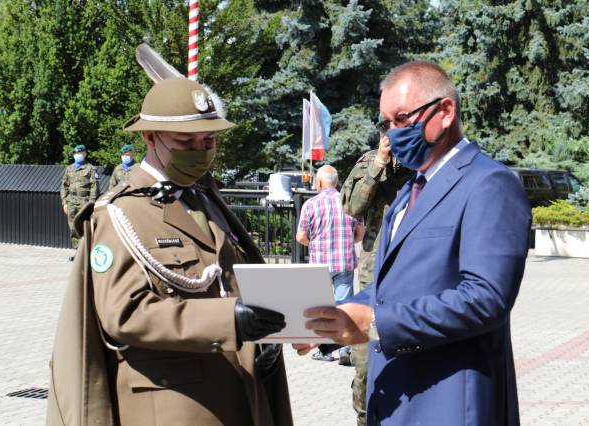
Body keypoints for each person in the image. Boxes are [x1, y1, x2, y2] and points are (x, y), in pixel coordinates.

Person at [294, 61, 531, 425]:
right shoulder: (408, 193)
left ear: (445, 111)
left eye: (402, 120)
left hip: (450, 404)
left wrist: (376, 322)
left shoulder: (490, 184)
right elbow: (386, 289)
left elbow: (486, 299)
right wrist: (333, 322)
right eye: (385, 123)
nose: (392, 134)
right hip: (396, 402)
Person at [47, 77, 293, 426]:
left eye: (208, 139)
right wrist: (229, 321)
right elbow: (125, 314)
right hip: (174, 407)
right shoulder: (118, 213)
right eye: (186, 141)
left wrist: (262, 338)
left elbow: (231, 283)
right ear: (150, 137)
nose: (200, 149)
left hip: (240, 398)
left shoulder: (207, 199)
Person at [340, 135, 412, 426]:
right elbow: (351, 207)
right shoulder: (370, 162)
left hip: (412, 273)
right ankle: (364, 419)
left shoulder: (426, 164)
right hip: (374, 274)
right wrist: (379, 164)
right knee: (365, 363)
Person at [295, 165, 364, 364]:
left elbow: (301, 236)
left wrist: (313, 243)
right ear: (335, 182)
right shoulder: (349, 203)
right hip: (344, 262)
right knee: (344, 307)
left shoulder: (311, 204)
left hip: (320, 264)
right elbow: (360, 234)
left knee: (322, 310)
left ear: (319, 182)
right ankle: (344, 350)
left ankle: (325, 350)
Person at [60, 144, 99, 254]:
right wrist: (64, 202)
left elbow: (94, 187)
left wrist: (91, 204)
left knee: (85, 226)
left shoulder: (90, 168)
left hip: (84, 202)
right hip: (71, 202)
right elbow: (64, 186)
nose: (78, 155)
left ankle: (87, 251)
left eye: (81, 153)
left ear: (85, 154)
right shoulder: (69, 169)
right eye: (77, 153)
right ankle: (77, 251)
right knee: (73, 227)